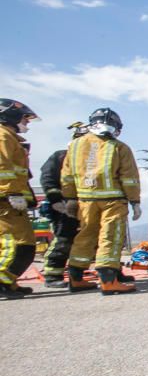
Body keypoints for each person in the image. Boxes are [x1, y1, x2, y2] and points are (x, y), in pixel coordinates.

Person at [61, 108, 142, 295]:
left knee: (84, 236)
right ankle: (108, 281)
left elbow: (66, 176)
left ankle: (76, 278)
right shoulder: (119, 147)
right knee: (110, 237)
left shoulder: (75, 146)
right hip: (112, 201)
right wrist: (134, 201)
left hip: (85, 200)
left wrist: (70, 198)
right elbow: (129, 178)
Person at [0, 99, 39, 300]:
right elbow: (2, 168)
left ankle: (8, 281)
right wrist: (12, 193)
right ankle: (3, 281)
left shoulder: (10, 138)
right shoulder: (2, 136)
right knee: (17, 245)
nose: (27, 122)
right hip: (6, 202)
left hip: (10, 201)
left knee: (22, 244)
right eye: (25, 118)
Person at [38, 123, 86, 288]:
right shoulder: (60, 157)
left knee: (90, 240)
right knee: (64, 240)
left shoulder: (93, 161)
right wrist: (55, 200)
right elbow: (48, 178)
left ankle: (79, 274)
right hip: (65, 208)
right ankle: (52, 275)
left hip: (87, 207)